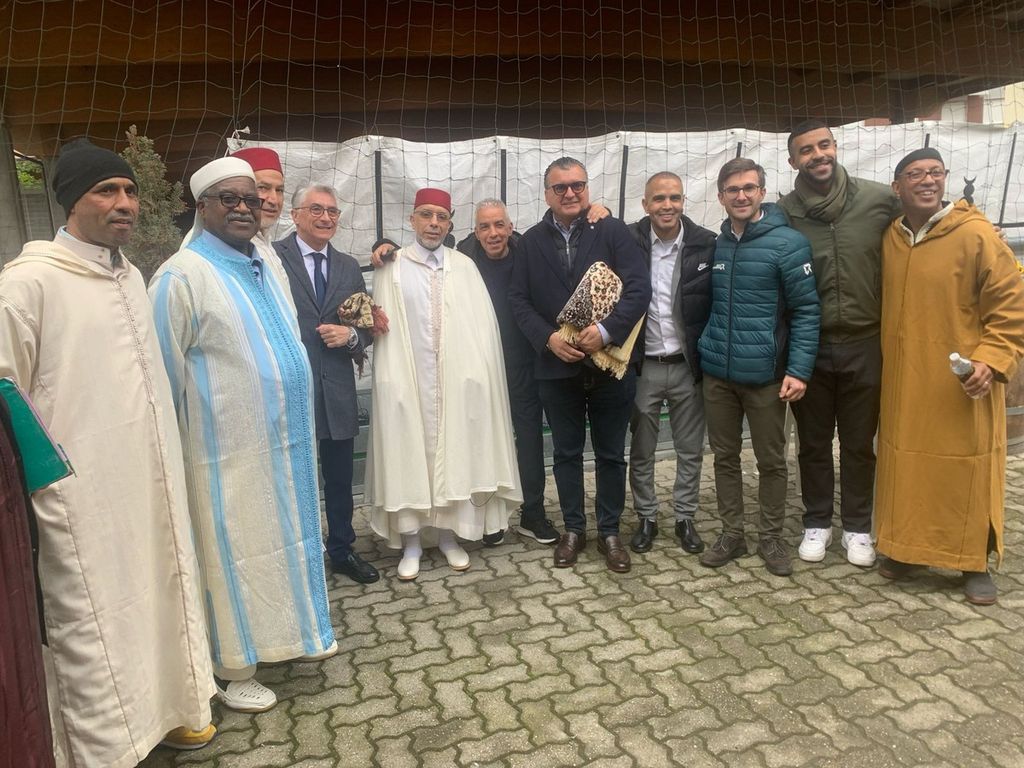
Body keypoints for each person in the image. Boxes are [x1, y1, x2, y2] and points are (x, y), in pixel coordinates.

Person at [0, 139, 215, 766]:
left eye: (130, 191)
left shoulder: (130, 276)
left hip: (149, 480)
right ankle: (108, 748)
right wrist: (46, 486)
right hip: (78, 497)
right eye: (106, 190)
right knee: (96, 615)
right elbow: (7, 398)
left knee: (162, 589)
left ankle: (173, 711)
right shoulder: (27, 284)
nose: (124, 203)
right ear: (71, 201)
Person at [150, 157, 335, 714]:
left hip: (282, 447)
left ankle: (282, 639)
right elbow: (161, 379)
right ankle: (231, 669)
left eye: (250, 199)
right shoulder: (180, 276)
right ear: (201, 207)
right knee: (232, 553)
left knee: (279, 543)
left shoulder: (265, 263)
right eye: (227, 199)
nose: (243, 208)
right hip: (222, 456)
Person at [875, 147, 1024, 605]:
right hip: (905, 381)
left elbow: (1011, 307)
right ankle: (908, 550)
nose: (927, 181)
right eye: (915, 174)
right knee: (907, 466)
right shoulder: (892, 237)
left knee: (968, 469)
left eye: (935, 172)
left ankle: (973, 561)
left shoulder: (976, 235)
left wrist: (989, 361)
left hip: (962, 381)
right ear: (897, 187)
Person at [365, 188, 521, 580]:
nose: (433, 224)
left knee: (454, 453)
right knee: (409, 452)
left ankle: (450, 536)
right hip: (409, 380)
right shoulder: (391, 266)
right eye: (426, 215)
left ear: (450, 224)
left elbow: (482, 329)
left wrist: (476, 376)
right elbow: (381, 331)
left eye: (441, 217)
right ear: (412, 219)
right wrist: (390, 382)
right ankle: (412, 541)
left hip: (454, 381)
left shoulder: (464, 266)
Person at [509, 157, 651, 574]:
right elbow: (518, 299)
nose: (570, 193)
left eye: (578, 185)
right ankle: (574, 530)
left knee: (611, 454)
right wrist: (548, 339)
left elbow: (639, 288)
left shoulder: (612, 230)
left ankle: (609, 532)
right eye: (560, 187)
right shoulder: (530, 241)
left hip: (609, 366)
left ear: (587, 188)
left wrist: (606, 331)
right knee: (566, 454)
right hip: (557, 367)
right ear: (547, 194)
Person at [779, 120, 901, 568]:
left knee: (858, 443)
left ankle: (857, 527)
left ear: (835, 146)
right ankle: (816, 522)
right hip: (809, 346)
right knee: (812, 443)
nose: (818, 155)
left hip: (866, 341)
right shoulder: (785, 212)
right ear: (793, 161)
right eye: (806, 150)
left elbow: (930, 217)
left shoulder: (878, 199)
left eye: (824, 145)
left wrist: (977, 225)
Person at [697, 157, 820, 577]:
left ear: (763, 193)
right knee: (725, 457)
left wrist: (798, 370)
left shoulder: (789, 243)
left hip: (767, 377)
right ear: (721, 196)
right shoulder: (717, 244)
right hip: (718, 374)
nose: (741, 196)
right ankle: (732, 533)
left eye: (749, 188)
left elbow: (806, 310)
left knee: (771, 461)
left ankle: (770, 536)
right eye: (733, 189)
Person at [273, 184, 380, 583]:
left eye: (332, 212)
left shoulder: (349, 267)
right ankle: (298, 553)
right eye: (316, 209)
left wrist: (350, 336)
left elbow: (366, 326)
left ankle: (342, 550)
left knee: (338, 477)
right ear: (295, 215)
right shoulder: (271, 258)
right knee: (292, 476)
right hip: (289, 384)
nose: (325, 218)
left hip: (336, 386)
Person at [626, 171, 716, 556]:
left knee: (690, 448)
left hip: (687, 365)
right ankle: (646, 516)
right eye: (659, 199)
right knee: (642, 449)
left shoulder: (705, 244)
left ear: (683, 201)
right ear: (645, 204)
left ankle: (685, 517)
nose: (667, 205)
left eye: (674, 198)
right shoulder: (628, 242)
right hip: (643, 365)